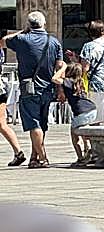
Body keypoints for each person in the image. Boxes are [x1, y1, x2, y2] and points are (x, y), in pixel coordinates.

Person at [3, 12, 63, 168]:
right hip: (48, 88)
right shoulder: (54, 42)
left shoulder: (22, 39)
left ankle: (43, 157)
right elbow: (59, 65)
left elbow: (3, 41)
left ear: (29, 25)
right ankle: (34, 157)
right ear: (44, 24)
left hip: (29, 88)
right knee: (42, 124)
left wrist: (22, 31)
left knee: (34, 124)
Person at [51, 62, 97, 167]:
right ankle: (89, 151)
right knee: (84, 131)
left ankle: (80, 158)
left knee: (74, 135)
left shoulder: (68, 82)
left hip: (81, 112)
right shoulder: (80, 82)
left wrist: (63, 68)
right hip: (92, 109)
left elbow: (54, 78)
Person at [0, 44, 24, 166]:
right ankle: (18, 152)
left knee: (2, 124)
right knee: (2, 124)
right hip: (1, 89)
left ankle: (18, 152)